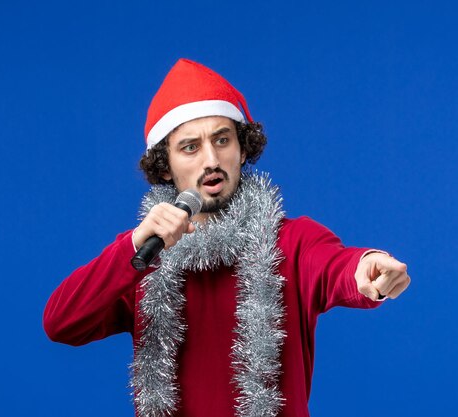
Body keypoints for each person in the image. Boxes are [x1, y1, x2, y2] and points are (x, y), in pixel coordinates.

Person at [43, 58, 410, 417]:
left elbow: (336, 266)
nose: (210, 160)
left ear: (242, 148)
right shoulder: (141, 254)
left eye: (222, 140)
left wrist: (367, 267)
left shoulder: (293, 241)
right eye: (190, 147)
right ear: (165, 167)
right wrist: (134, 248)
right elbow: (61, 322)